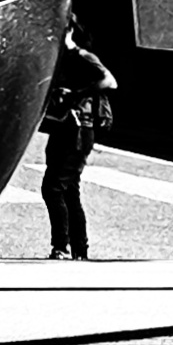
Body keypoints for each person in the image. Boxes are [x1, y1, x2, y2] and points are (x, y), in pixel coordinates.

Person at [40, 14, 116, 261]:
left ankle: (61, 247)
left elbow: (109, 81)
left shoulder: (82, 57)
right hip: (64, 127)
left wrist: (75, 94)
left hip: (79, 129)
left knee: (53, 187)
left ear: (68, 30)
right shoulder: (61, 60)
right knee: (69, 190)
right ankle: (79, 250)